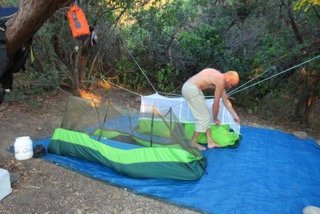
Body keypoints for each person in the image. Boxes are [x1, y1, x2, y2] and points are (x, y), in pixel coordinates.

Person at [182, 68, 240, 151]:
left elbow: (225, 100)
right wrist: (215, 119)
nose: (230, 87)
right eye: (231, 84)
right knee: (204, 118)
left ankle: (210, 141)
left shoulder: (219, 77)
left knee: (206, 115)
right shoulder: (220, 80)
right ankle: (193, 141)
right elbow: (216, 104)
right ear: (228, 78)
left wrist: (235, 115)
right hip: (191, 89)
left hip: (191, 88)